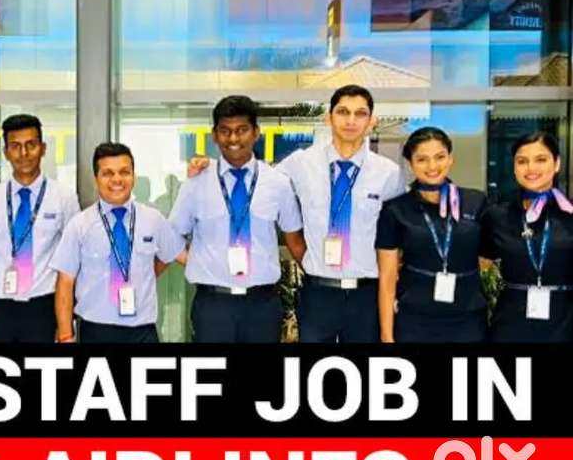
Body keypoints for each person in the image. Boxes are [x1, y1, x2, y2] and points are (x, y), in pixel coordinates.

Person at [189, 85, 404, 342]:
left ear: (372, 121)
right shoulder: (301, 163)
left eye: (360, 113)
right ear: (329, 118)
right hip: (318, 293)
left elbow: (396, 238)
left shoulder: (389, 174)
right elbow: (253, 177)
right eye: (343, 112)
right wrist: (210, 166)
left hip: (366, 294)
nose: (350, 120)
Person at [170, 95, 306, 342]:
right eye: (225, 131)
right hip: (213, 305)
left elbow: (294, 238)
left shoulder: (278, 183)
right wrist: (194, 262)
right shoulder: (196, 182)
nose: (233, 138)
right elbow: (171, 236)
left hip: (262, 305)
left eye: (242, 130)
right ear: (214, 135)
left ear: (256, 133)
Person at [51, 143, 185, 343]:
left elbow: (171, 255)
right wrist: (65, 336)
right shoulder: (79, 225)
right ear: (96, 178)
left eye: (124, 172)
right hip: (95, 331)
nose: (117, 179)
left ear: (133, 176)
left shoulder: (153, 219)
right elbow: (65, 282)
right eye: (108, 173)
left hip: (143, 332)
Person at [375, 127, 488, 343]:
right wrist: (387, 335)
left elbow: (487, 256)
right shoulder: (396, 210)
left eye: (439, 157)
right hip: (414, 320)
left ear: (450, 159)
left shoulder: (476, 202)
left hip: (468, 318)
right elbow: (387, 277)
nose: (432, 166)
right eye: (422, 159)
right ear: (410, 164)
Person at [0, 114, 79, 343]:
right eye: (15, 146)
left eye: (31, 145)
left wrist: (65, 322)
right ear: (6, 152)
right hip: (0, 307)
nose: (24, 153)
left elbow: (72, 263)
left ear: (43, 148)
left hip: (44, 306)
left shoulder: (64, 198)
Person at [480, 132, 573, 342]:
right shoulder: (498, 216)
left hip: (564, 325)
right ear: (514, 167)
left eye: (541, 160)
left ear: (557, 163)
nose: (531, 168)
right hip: (510, 325)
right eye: (522, 161)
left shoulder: (570, 214)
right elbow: (482, 262)